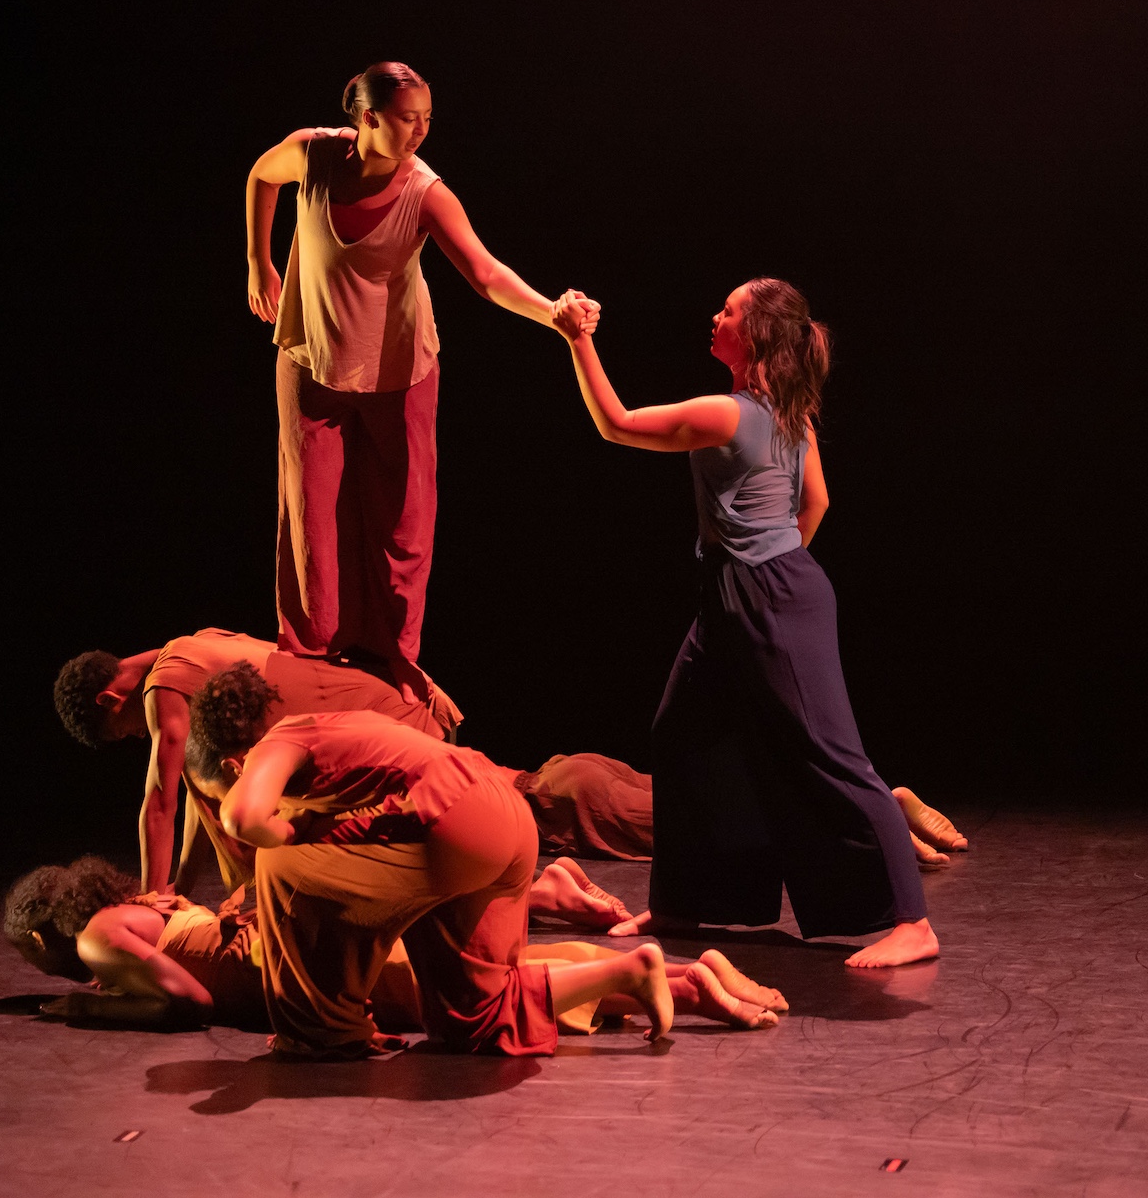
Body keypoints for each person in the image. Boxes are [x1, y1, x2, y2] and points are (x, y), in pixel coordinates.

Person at [551, 279, 936, 968]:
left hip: (769, 597)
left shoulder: (727, 413)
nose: (714, 315)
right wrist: (774, 561)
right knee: (682, 733)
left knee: (834, 752)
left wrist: (577, 339)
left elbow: (614, 423)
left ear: (752, 334)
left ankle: (913, 921)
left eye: (727, 309)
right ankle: (684, 902)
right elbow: (816, 501)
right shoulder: (789, 412)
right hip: (745, 593)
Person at [244, 60, 591, 693]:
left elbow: (486, 274)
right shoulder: (313, 156)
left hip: (398, 371)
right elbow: (260, 177)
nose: (422, 131)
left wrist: (552, 313)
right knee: (309, 513)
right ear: (369, 118)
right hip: (311, 356)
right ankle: (308, 653)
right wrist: (258, 262)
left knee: (401, 522)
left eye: (428, 119)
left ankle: (391, 661)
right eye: (410, 119)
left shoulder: (426, 193)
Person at [185, 666, 647, 1057]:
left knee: (280, 864)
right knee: (468, 1016)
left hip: (451, 817)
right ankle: (631, 972)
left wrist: (287, 831)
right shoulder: (333, 728)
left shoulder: (279, 742)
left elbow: (241, 817)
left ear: (233, 769)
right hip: (502, 817)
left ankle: (324, 1034)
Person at [1, 855, 787, 1034]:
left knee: (471, 1002)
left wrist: (80, 1010)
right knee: (493, 974)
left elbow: (188, 1000)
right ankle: (694, 981)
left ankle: (664, 975)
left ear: (46, 934)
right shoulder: (140, 907)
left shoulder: (99, 937)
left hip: (312, 970)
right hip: (311, 949)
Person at [51, 627, 461, 894]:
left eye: (126, 730)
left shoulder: (163, 686)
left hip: (398, 728)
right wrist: (180, 889)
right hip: (415, 704)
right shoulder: (198, 644)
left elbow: (160, 804)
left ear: (110, 700)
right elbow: (199, 794)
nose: (140, 735)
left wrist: (150, 904)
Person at [516, 753, 970, 869]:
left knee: (713, 825)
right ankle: (872, 805)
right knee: (712, 800)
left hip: (561, 800)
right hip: (568, 772)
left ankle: (876, 818)